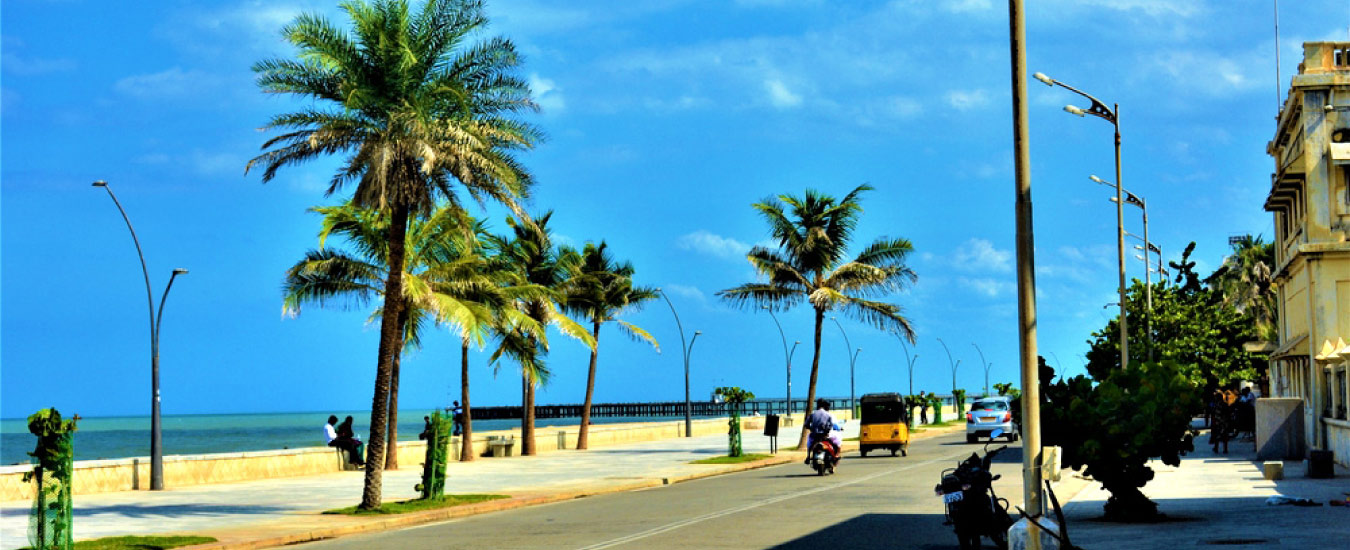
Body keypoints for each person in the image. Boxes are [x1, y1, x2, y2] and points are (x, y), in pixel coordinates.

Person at [805, 399, 842, 465]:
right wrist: (827, 429)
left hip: (815, 435)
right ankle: (837, 454)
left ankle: (808, 456)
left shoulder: (813, 414)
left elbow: (806, 424)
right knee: (838, 441)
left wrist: (811, 428)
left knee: (809, 443)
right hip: (825, 435)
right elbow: (831, 424)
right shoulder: (828, 414)